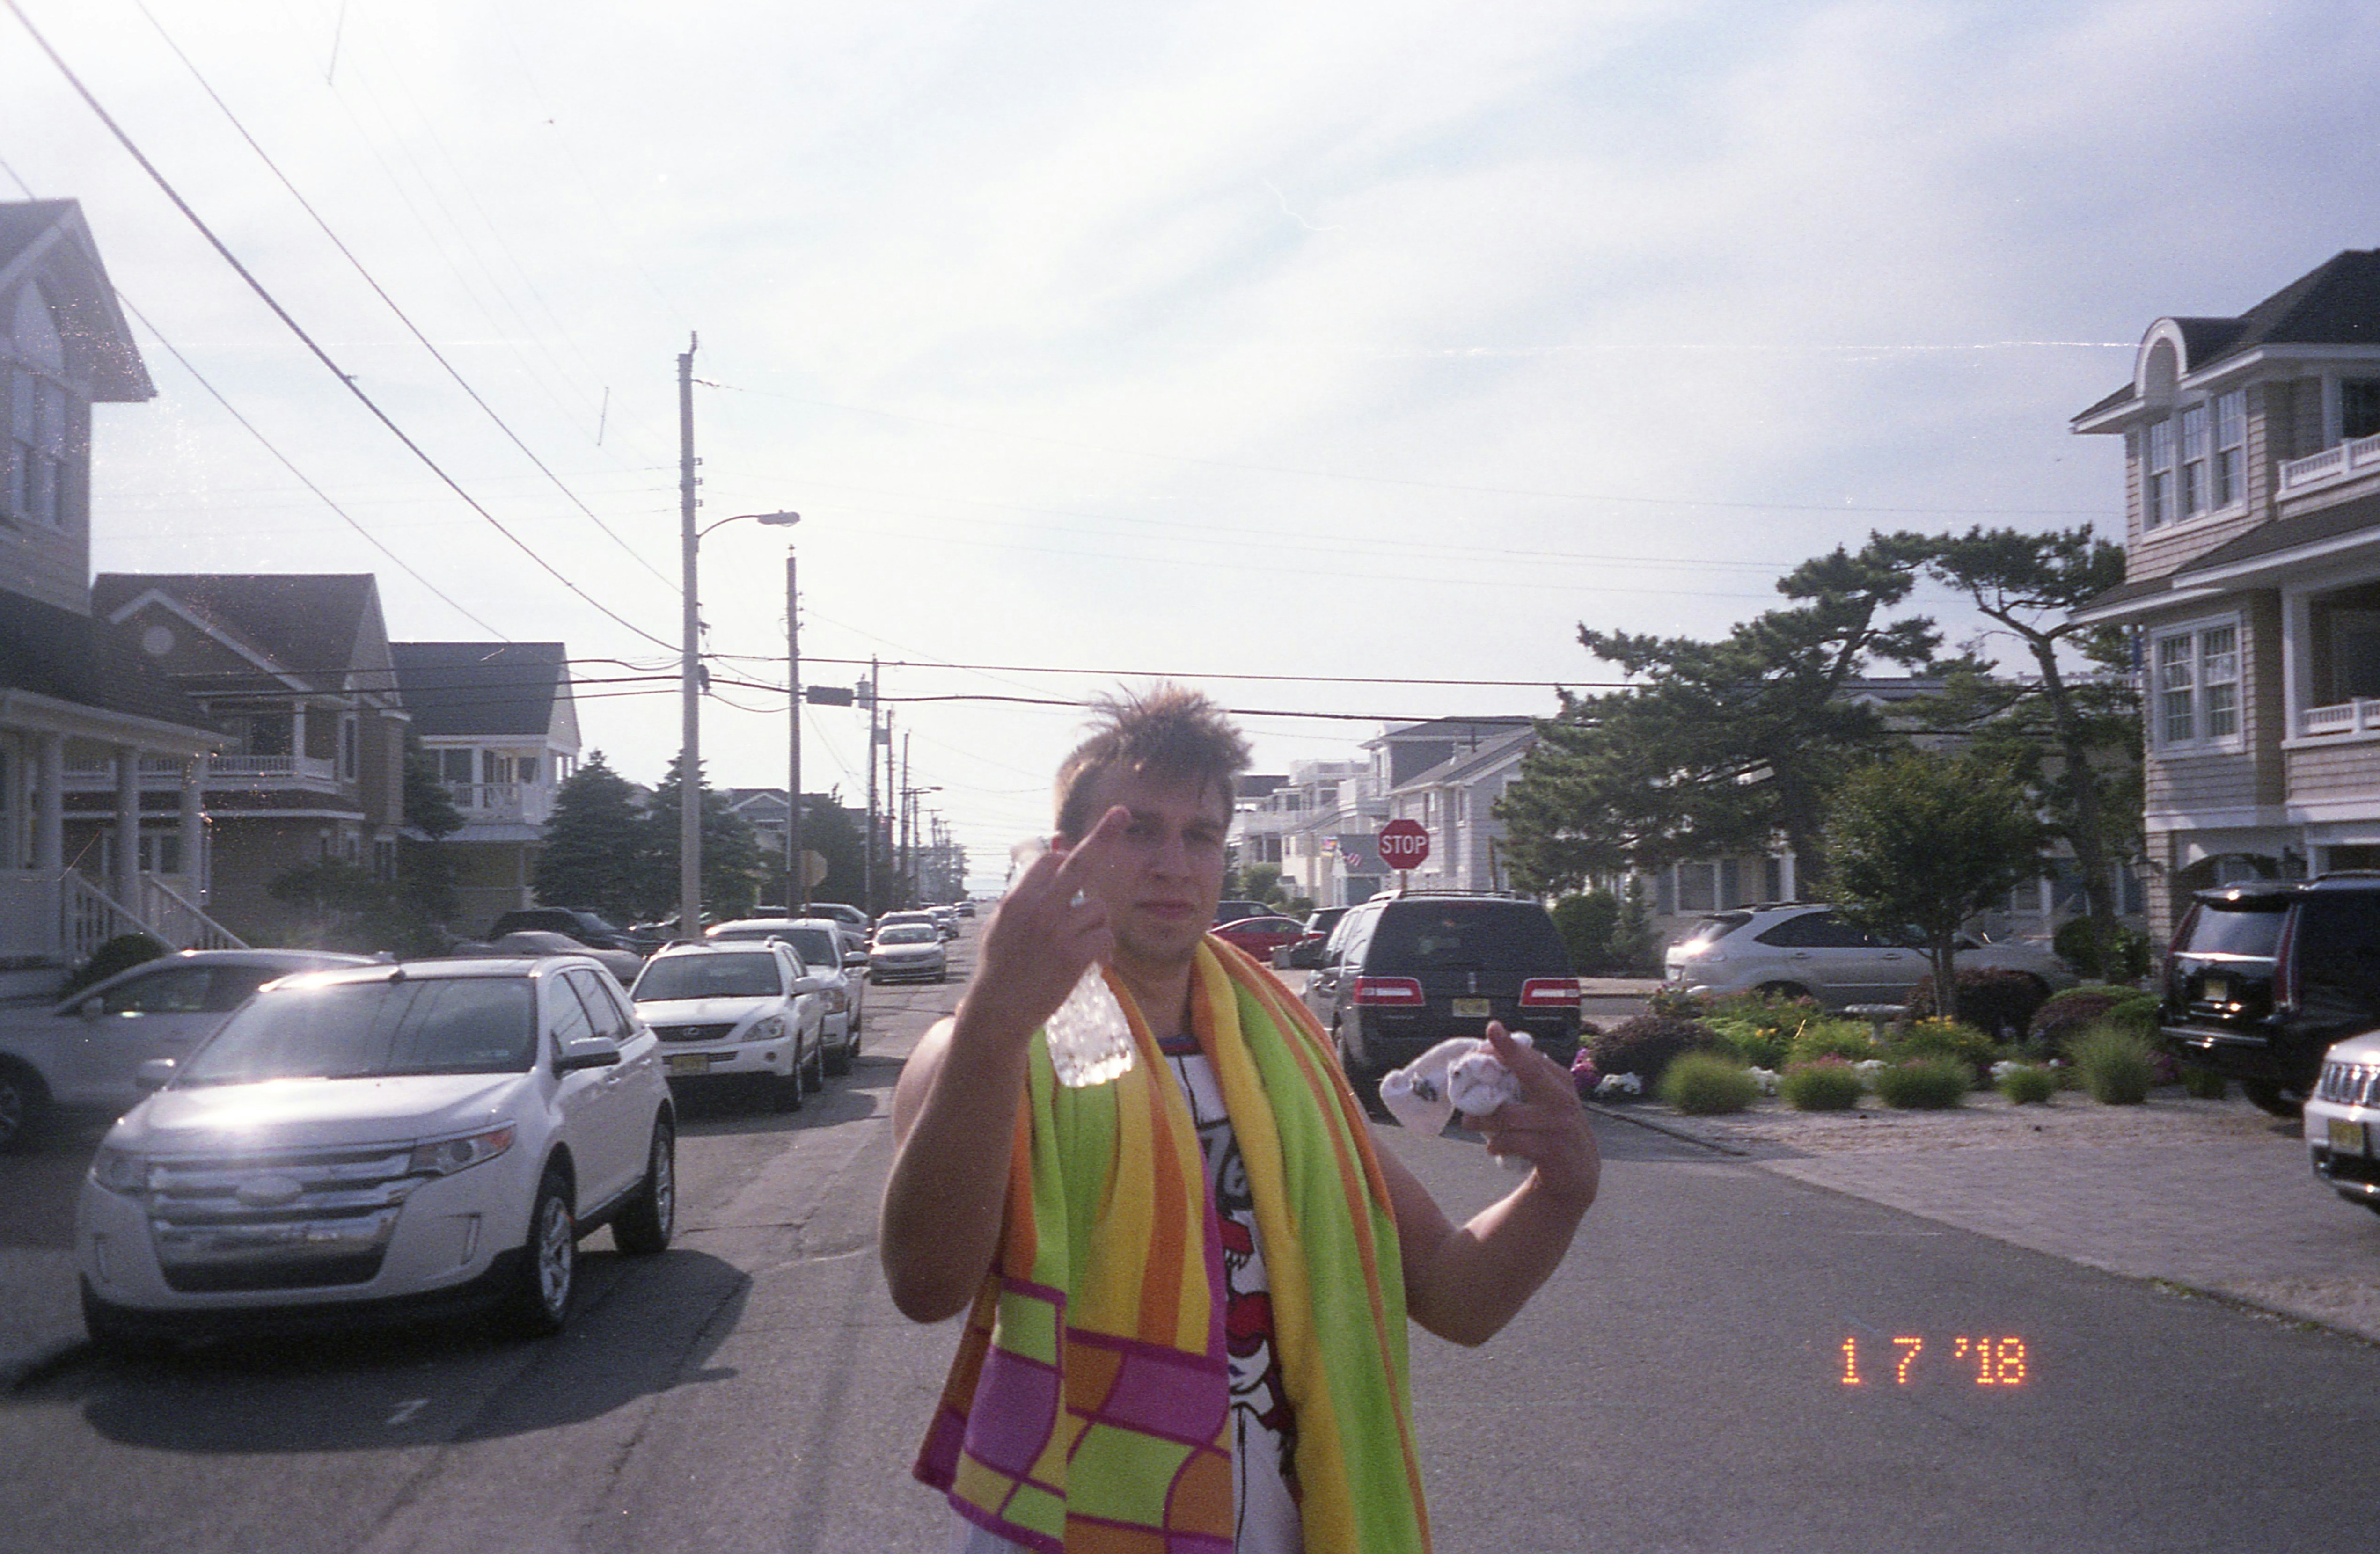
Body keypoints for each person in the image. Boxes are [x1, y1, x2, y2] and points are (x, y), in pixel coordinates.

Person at [882, 687, 1598, 1553]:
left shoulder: (1281, 1054)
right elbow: (925, 1287)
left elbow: (1456, 1294)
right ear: (1067, 856)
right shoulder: (985, 1048)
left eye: (1200, 835)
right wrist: (996, 1025)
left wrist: (1559, 1189)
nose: (1172, 864)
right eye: (1135, 830)